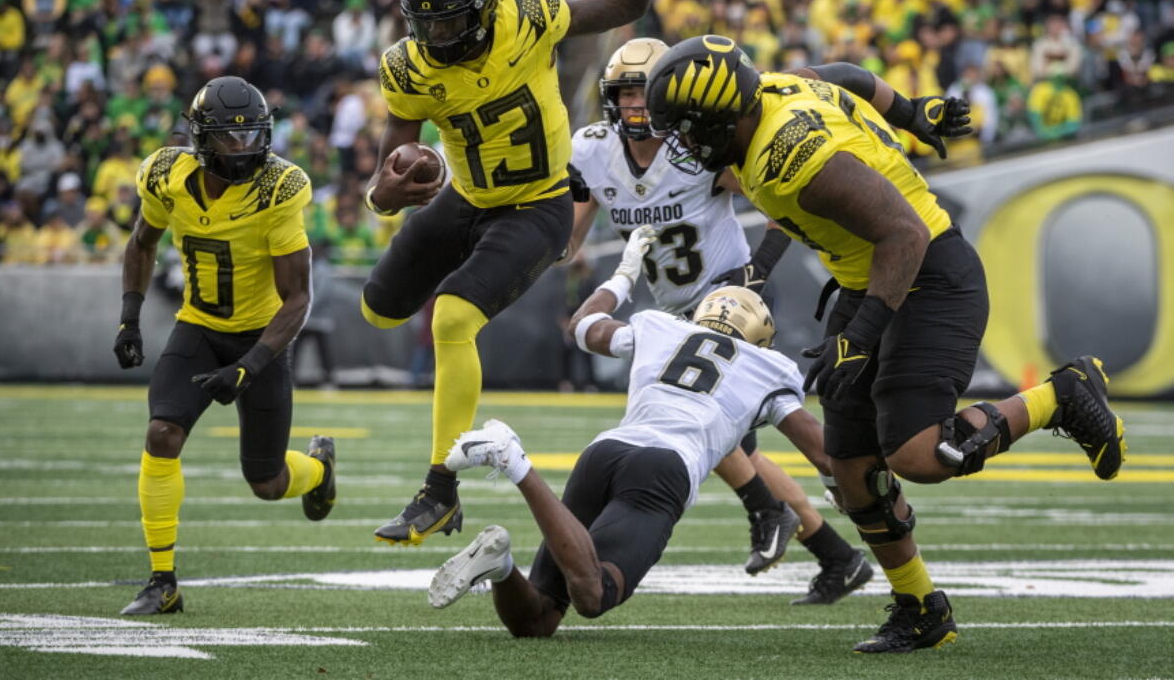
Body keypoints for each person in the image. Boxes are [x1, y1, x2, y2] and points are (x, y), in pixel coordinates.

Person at [643, 35, 1128, 652]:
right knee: (850, 467)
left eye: (687, 128)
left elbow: (903, 234)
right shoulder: (771, 89)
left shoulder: (791, 155)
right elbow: (846, 73)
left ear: (721, 119)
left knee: (920, 456)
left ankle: (1061, 395)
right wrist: (911, 111)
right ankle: (921, 607)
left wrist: (860, 336)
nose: (681, 144)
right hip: (871, 279)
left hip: (927, 275)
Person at [361, 0, 657, 546]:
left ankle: (440, 489)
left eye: (444, 21)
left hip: (538, 202)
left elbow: (626, 1)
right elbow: (386, 179)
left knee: (454, 316)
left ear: (478, 8)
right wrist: (394, 189)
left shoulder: (527, 15)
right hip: (464, 198)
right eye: (424, 23)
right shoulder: (408, 68)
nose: (433, 35)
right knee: (377, 308)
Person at [565, 38, 868, 598]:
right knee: (727, 442)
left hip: (733, 300)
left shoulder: (697, 148)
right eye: (624, 94)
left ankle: (780, 508)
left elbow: (784, 202)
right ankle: (833, 551)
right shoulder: (592, 152)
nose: (634, 106)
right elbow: (571, 233)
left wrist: (758, 272)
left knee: (695, 424)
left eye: (643, 93)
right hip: (674, 310)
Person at [429, 273, 857, 631]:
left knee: (538, 618)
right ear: (760, 335)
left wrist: (623, 276)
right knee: (594, 595)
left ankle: (501, 565)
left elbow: (582, 325)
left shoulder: (661, 326)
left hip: (603, 453)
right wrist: (839, 488)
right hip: (663, 469)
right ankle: (515, 463)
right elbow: (824, 453)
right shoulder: (769, 366)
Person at [111, 76, 336, 615]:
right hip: (199, 326)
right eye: (230, 139)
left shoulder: (278, 188)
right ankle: (162, 581)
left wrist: (251, 365)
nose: (245, 148)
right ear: (201, 139)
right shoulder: (167, 174)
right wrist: (129, 318)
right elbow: (142, 241)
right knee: (162, 434)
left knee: (266, 480)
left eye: (253, 136)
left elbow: (298, 299)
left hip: (262, 336)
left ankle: (320, 469)